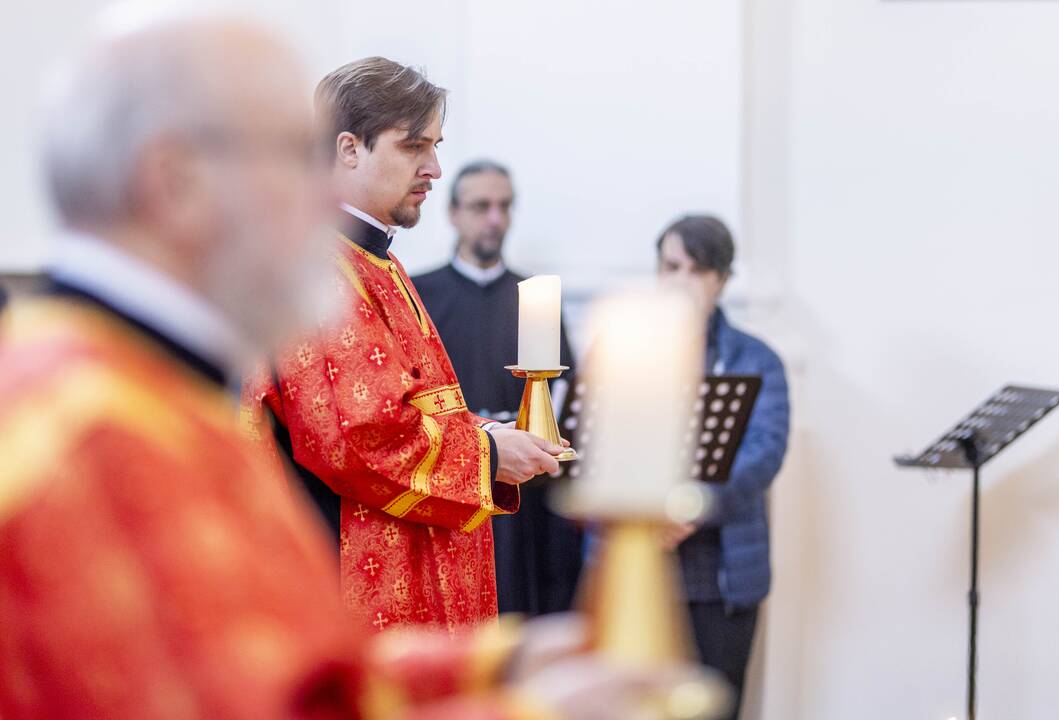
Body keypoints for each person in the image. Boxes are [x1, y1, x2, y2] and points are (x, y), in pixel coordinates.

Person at [0, 11, 696, 719]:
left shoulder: (142, 384)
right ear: (173, 181)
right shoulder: (71, 434)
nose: (309, 189)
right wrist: (526, 710)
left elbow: (287, 659)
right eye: (287, 153)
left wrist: (500, 664)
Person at [256, 59, 566, 635]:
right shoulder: (319, 268)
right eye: (413, 147)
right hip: (350, 576)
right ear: (349, 149)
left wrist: (487, 433)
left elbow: (414, 406)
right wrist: (490, 458)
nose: (435, 168)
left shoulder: (373, 259)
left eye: (435, 146)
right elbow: (359, 438)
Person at [412, 160, 583, 616]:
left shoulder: (535, 299)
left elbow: (563, 393)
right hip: (451, 486)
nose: (494, 218)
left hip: (523, 498)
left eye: (504, 206)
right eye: (481, 206)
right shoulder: (417, 293)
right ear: (452, 213)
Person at [657, 215, 790, 720]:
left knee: (717, 710)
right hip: (644, 564)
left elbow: (764, 454)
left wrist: (691, 506)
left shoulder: (758, 360)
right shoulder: (628, 351)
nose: (680, 282)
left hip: (725, 577)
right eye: (670, 267)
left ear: (722, 280)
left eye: (696, 270)